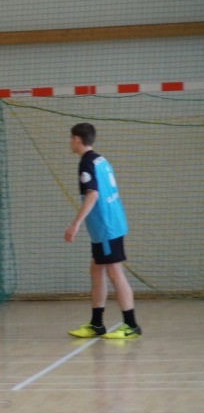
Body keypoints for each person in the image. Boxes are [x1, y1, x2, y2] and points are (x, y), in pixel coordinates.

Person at [65, 123, 140, 339]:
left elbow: (93, 194)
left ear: (77, 139)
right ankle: (96, 324)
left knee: (115, 272)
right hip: (109, 224)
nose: (70, 142)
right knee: (97, 270)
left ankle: (131, 325)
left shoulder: (86, 163)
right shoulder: (100, 159)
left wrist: (75, 224)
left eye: (71, 138)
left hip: (106, 227)